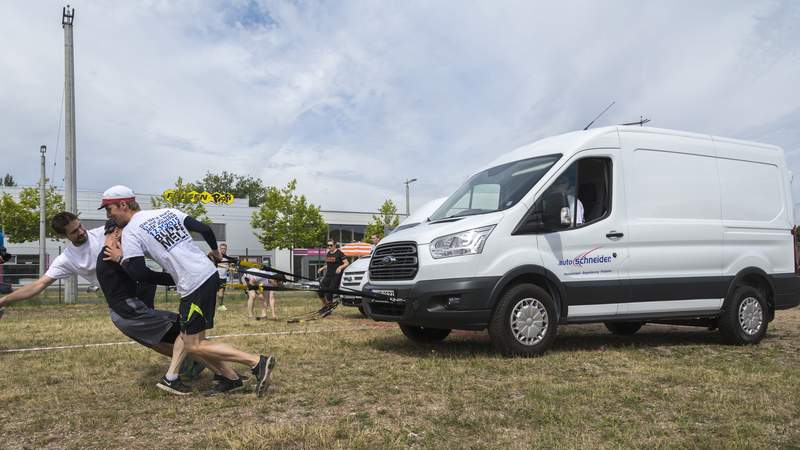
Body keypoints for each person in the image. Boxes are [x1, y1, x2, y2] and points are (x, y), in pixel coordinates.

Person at [102, 185, 275, 397]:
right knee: (186, 336)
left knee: (194, 345)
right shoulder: (168, 212)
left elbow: (141, 274)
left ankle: (257, 362)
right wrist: (214, 251)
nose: (109, 215)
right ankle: (222, 380)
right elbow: (205, 229)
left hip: (193, 284)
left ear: (122, 204)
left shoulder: (131, 232)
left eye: (109, 209)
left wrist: (122, 259)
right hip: (207, 274)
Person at [0, 212, 105, 316]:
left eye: (80, 226)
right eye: (74, 232)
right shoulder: (67, 258)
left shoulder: (104, 233)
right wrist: (4, 300)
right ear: (63, 236)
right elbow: (39, 284)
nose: (81, 232)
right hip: (115, 297)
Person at [316, 239, 348, 307]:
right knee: (320, 291)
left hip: (336, 275)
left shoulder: (339, 253)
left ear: (334, 245)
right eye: (328, 245)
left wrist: (340, 267)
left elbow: (346, 263)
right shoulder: (328, 253)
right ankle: (326, 305)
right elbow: (329, 264)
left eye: (331, 245)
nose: (329, 247)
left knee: (329, 291)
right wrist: (322, 268)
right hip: (328, 275)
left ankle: (329, 307)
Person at [215, 243, 235, 311]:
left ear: (226, 249)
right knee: (215, 291)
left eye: (224, 248)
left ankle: (220, 305)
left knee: (222, 291)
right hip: (216, 276)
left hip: (223, 277)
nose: (223, 250)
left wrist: (230, 268)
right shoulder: (216, 256)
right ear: (219, 249)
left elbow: (230, 266)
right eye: (222, 248)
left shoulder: (228, 257)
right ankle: (218, 305)